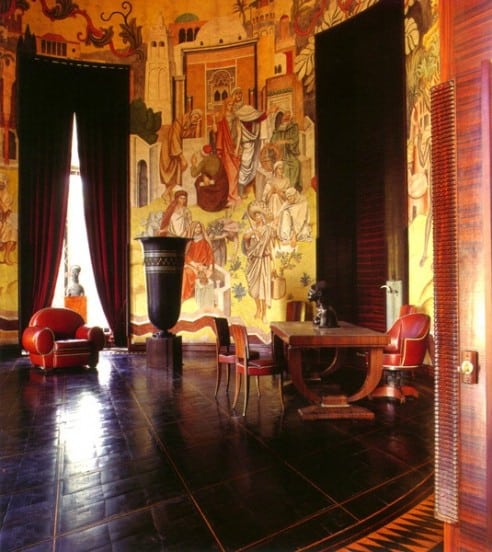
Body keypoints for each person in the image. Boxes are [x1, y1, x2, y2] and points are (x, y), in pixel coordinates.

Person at [242, 201, 276, 322]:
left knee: (264, 286)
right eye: (255, 216)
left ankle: (265, 313)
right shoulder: (250, 230)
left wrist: (274, 265)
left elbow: (271, 247)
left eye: (259, 215)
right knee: (254, 287)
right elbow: (245, 240)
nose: (257, 217)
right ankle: (258, 309)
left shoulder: (268, 230)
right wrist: (252, 233)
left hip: (264, 260)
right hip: (254, 260)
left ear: (263, 217)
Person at [159, 109, 202, 200]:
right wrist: (182, 158)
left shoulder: (191, 125)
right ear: (191, 115)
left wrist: (198, 125)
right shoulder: (178, 123)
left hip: (176, 152)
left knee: (177, 173)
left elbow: (195, 138)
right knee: (170, 173)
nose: (195, 119)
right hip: (169, 150)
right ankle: (167, 195)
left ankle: (167, 195)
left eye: (198, 118)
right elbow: (175, 139)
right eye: (195, 117)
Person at [231, 88, 266, 198]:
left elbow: (258, 118)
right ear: (233, 96)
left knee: (251, 164)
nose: (238, 95)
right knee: (244, 165)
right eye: (236, 94)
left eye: (240, 93)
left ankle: (245, 188)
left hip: (249, 141)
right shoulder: (231, 110)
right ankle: (240, 190)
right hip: (238, 143)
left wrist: (269, 112)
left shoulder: (247, 109)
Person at [212, 97, 241, 206]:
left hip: (233, 147)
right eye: (229, 104)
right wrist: (214, 120)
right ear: (226, 105)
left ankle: (233, 195)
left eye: (232, 104)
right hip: (225, 149)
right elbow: (216, 131)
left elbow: (239, 133)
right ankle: (228, 197)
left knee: (234, 173)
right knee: (227, 173)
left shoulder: (236, 117)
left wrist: (237, 148)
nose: (231, 106)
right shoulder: (222, 118)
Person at [181, 221, 215, 304]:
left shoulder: (205, 242)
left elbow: (210, 255)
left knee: (188, 273)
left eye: (199, 227)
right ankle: (183, 295)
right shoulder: (190, 242)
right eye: (196, 227)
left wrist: (210, 268)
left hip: (202, 267)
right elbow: (186, 255)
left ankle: (185, 296)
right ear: (192, 229)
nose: (198, 229)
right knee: (184, 271)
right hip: (192, 264)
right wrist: (193, 264)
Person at [191, 144, 229, 212]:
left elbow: (193, 174)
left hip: (213, 186)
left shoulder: (204, 161)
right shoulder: (218, 159)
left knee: (197, 181)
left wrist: (193, 164)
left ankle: (203, 203)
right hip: (221, 188)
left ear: (203, 153)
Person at [271, 110, 302, 191]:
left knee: (296, 164)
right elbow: (273, 141)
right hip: (279, 154)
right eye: (285, 116)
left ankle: (291, 187)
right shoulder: (279, 127)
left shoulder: (294, 127)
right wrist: (276, 142)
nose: (286, 118)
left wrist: (284, 142)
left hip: (289, 153)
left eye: (288, 116)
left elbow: (294, 140)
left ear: (291, 117)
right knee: (284, 167)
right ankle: (284, 188)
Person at [0, 174, 16, 265]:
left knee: (12, 231)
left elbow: (6, 211)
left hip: (4, 219)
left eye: (2, 183)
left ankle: (6, 256)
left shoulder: (9, 196)